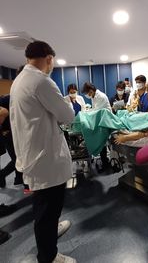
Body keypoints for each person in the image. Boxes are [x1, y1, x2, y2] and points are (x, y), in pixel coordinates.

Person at [10, 41, 76, 263]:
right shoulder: (41, 81)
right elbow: (68, 116)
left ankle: (52, 229)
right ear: (49, 58)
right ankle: (49, 256)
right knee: (47, 208)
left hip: (33, 154)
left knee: (45, 205)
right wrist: (68, 102)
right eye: (53, 62)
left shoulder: (19, 81)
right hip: (44, 159)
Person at [82, 82, 112, 172]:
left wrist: (87, 112)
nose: (87, 95)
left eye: (87, 93)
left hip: (106, 120)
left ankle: (105, 163)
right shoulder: (94, 96)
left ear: (91, 91)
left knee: (101, 140)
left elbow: (96, 111)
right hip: (100, 119)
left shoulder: (101, 97)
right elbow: (94, 109)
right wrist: (88, 110)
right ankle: (103, 159)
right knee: (98, 139)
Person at [0, 96, 24, 188]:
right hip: (9, 133)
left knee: (18, 157)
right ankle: (3, 174)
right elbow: (5, 112)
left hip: (11, 131)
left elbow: (5, 112)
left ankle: (18, 178)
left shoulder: (8, 99)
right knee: (17, 159)